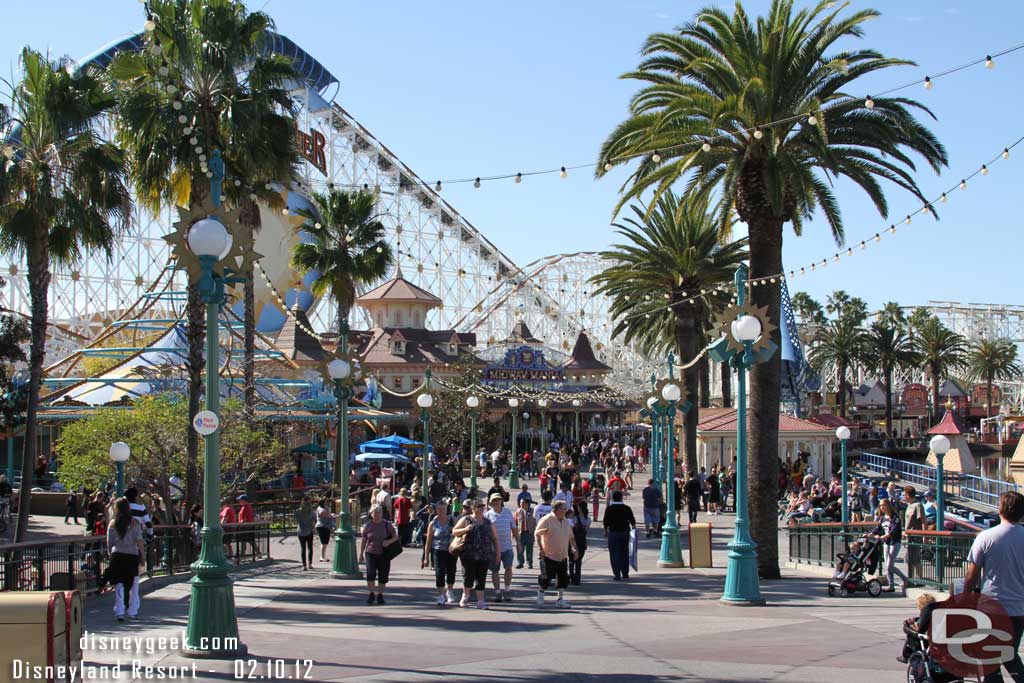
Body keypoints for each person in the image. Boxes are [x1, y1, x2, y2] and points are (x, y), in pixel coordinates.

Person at [964, 490, 1024, 682]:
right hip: (1019, 609)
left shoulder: (986, 537)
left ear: (1000, 510)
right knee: (1010, 653)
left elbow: (971, 576)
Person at [452, 497, 498, 609]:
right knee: (468, 577)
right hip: (468, 554)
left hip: (484, 554)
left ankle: (481, 601)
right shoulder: (466, 519)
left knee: (481, 578)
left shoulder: (488, 522)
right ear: (473, 508)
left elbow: (495, 538)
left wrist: (498, 553)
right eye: (479, 506)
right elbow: (454, 531)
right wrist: (465, 529)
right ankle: (465, 595)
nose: (482, 508)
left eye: (483, 506)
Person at [106, 497, 145, 621]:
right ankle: (132, 611)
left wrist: (110, 554)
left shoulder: (112, 524)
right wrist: (143, 556)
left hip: (117, 555)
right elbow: (139, 541)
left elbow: (109, 542)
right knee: (134, 584)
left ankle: (119, 611)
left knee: (119, 585)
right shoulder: (134, 523)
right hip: (132, 556)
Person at [535, 500, 578, 608]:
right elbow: (537, 534)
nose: (566, 510)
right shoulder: (547, 520)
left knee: (562, 580)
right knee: (546, 578)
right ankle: (541, 593)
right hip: (549, 555)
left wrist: (574, 548)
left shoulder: (565, 521)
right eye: (564, 508)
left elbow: (571, 537)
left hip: (562, 555)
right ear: (557, 509)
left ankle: (560, 600)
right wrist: (540, 549)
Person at [359, 504, 399, 605]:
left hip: (384, 553)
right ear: (371, 514)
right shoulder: (368, 525)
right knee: (370, 573)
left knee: (383, 575)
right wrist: (361, 553)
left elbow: (395, 537)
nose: (376, 515)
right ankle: (371, 593)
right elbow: (364, 539)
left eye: (378, 513)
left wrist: (388, 542)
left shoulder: (387, 525)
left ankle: (380, 594)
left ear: (382, 514)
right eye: (374, 513)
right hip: (370, 552)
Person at [422, 501, 457, 606]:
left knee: (451, 571)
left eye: (443, 509)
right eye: (439, 509)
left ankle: (450, 591)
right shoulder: (433, 523)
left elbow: (459, 533)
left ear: (447, 509)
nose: (441, 511)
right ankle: (441, 595)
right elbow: (428, 541)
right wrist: (426, 557)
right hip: (438, 550)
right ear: (436, 510)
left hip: (451, 550)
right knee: (439, 572)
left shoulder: (452, 520)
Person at [485, 492, 519, 602]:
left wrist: (518, 543)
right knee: (495, 571)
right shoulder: (488, 515)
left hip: (507, 546)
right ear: (491, 502)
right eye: (494, 500)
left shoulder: (508, 512)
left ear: (501, 501)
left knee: (508, 568)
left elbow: (514, 529)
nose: (496, 502)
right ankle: (497, 592)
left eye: (498, 500)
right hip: (494, 549)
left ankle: (507, 590)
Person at [871, 499, 908, 593]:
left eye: (884, 505)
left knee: (889, 565)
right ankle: (891, 585)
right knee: (887, 566)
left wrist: (884, 536)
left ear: (888, 505)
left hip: (894, 542)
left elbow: (894, 531)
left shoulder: (895, 517)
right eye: (880, 505)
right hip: (886, 543)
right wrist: (869, 534)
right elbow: (877, 529)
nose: (882, 507)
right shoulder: (883, 518)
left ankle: (905, 579)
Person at [603, 490, 637, 580]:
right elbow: (632, 520)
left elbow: (605, 521)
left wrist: (605, 531)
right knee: (624, 552)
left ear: (613, 498)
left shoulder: (609, 508)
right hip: (625, 532)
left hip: (613, 532)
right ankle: (625, 573)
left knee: (614, 553)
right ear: (621, 498)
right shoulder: (627, 508)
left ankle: (617, 573)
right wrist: (633, 528)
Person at [898, 593, 939, 664]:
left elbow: (919, 630)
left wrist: (911, 624)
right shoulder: (938, 615)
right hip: (937, 639)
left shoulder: (925, 616)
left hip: (926, 641)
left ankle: (905, 656)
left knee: (910, 636)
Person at [903, 486, 925, 579]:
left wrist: (924, 536)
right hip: (909, 536)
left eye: (905, 495)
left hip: (915, 536)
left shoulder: (918, 505)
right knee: (908, 559)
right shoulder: (909, 505)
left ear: (908, 495)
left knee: (916, 559)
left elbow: (923, 521)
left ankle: (920, 579)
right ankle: (910, 578)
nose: (904, 496)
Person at [568, 503, 590, 585]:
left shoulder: (574, 519)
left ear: (580, 508)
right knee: (578, 561)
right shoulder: (588, 519)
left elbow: (571, 529)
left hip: (574, 541)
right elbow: (586, 531)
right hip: (582, 541)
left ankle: (572, 577)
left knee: (571, 560)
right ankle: (577, 579)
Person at [294, 496, 316, 570]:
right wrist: (314, 530)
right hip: (309, 531)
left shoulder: (298, 511)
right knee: (310, 548)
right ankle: (310, 564)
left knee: (303, 548)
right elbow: (313, 522)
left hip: (300, 531)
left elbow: (297, 521)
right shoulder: (312, 512)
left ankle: (304, 565)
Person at [515, 497, 536, 569]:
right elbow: (515, 523)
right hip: (521, 533)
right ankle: (520, 562)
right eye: (520, 503)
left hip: (530, 533)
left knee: (529, 549)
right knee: (519, 548)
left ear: (527, 503)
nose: (521, 504)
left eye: (522, 503)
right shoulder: (518, 511)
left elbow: (535, 522)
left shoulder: (533, 511)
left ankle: (530, 563)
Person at [315, 497, 335, 562]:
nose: (327, 502)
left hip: (326, 526)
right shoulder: (321, 509)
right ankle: (322, 557)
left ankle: (323, 556)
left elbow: (328, 515)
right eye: (326, 501)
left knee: (325, 543)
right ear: (323, 502)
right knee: (323, 542)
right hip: (322, 526)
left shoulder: (325, 508)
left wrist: (331, 515)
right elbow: (324, 514)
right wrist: (331, 515)